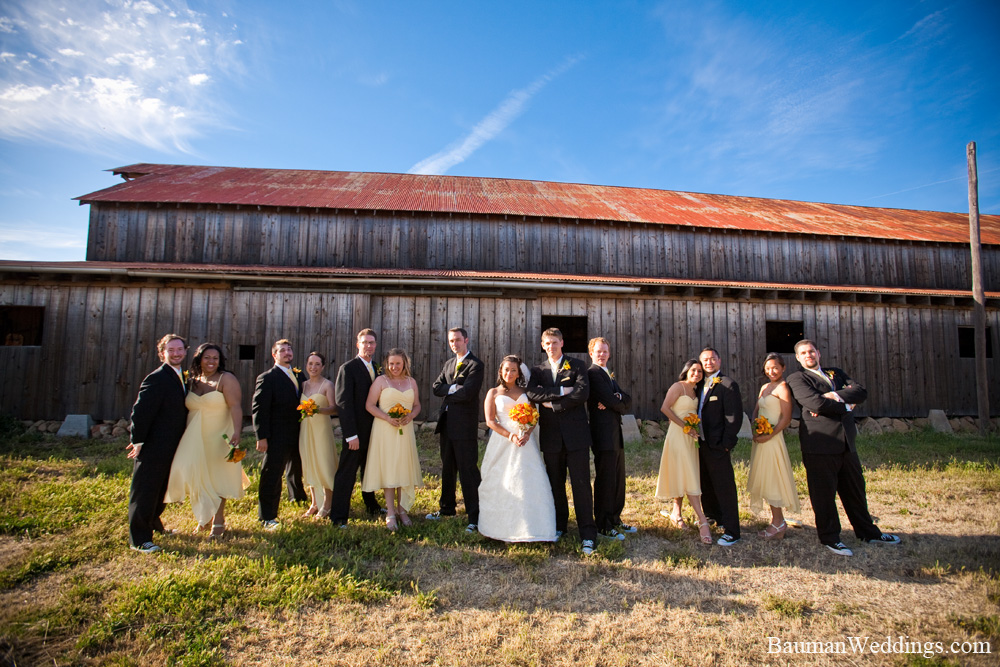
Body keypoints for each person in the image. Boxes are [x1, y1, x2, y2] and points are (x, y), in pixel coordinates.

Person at [786, 339, 901, 556]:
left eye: (811, 351)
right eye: (803, 353)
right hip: (819, 444)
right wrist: (846, 405)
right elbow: (814, 403)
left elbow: (860, 391)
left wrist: (834, 395)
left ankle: (869, 533)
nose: (808, 355)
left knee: (856, 491)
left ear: (818, 353)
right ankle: (830, 537)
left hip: (847, 442)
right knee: (824, 495)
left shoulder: (835, 372)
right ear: (798, 358)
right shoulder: (797, 378)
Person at [164, 343, 250, 538]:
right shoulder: (192, 380)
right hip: (193, 437)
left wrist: (237, 431)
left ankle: (218, 521)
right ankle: (204, 518)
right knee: (197, 475)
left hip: (218, 436)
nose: (211, 361)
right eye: (207, 358)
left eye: (215, 358)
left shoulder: (226, 379)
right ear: (199, 359)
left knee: (217, 476)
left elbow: (236, 407)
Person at [526, 327, 598, 555]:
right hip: (552, 437)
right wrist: (561, 391)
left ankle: (587, 533)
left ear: (562, 342)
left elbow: (582, 393)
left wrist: (556, 403)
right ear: (542, 345)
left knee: (581, 485)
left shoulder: (577, 365)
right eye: (547, 343)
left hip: (576, 437)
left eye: (555, 342)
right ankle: (559, 526)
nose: (551, 347)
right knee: (555, 484)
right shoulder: (538, 370)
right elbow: (533, 394)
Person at [478, 356, 557, 542]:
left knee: (528, 480)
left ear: (519, 373)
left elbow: (534, 416)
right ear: (500, 371)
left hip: (525, 441)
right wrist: (510, 435)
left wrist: (527, 433)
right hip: (503, 441)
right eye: (506, 370)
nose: (509, 373)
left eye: (513, 370)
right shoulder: (493, 393)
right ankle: (500, 527)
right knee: (502, 480)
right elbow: (490, 421)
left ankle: (535, 527)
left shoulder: (525, 392)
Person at [126, 333, 189, 553]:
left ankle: (154, 524)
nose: (176, 353)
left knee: (162, 488)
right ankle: (140, 539)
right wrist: (138, 440)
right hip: (154, 445)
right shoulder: (157, 377)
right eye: (171, 350)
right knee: (145, 490)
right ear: (162, 353)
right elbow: (140, 411)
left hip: (173, 444)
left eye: (179, 349)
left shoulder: (182, 376)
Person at [428, 327, 485, 532]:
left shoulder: (475, 365)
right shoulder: (449, 363)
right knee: (447, 467)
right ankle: (447, 508)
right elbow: (436, 387)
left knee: (468, 469)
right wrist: (454, 388)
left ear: (466, 340)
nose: (454, 344)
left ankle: (475, 516)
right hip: (447, 423)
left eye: (458, 340)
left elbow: (468, 393)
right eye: (451, 341)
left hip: (464, 426)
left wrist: (448, 390)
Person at [362, 348, 423, 530]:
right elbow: (369, 405)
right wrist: (388, 418)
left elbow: (417, 405)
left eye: (398, 363)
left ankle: (401, 509)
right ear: (386, 364)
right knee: (389, 469)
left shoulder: (411, 382)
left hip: (405, 430)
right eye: (391, 363)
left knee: (402, 467)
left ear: (404, 363)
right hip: (385, 429)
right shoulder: (381, 381)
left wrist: (411, 416)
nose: (394, 367)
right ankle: (390, 512)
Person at [655, 359, 713, 545]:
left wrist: (693, 428)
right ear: (687, 371)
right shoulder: (678, 386)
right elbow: (665, 408)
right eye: (693, 370)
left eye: (700, 372)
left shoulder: (697, 391)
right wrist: (684, 427)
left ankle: (676, 513)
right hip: (678, 436)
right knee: (688, 474)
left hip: (690, 438)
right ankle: (702, 520)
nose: (697, 374)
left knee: (684, 473)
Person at [330, 329, 384, 526]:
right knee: (347, 473)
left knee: (368, 470)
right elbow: (343, 404)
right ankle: (338, 516)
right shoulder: (348, 368)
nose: (368, 346)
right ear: (357, 345)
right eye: (365, 342)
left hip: (374, 430)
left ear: (376, 345)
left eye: (371, 342)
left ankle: (372, 505)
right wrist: (350, 434)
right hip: (355, 432)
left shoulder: (377, 368)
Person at [252, 339, 308, 530]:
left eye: (289, 349)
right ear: (274, 355)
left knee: (296, 467)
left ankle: (297, 497)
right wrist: (262, 436)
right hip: (277, 434)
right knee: (272, 473)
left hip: (298, 431)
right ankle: (267, 516)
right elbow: (259, 408)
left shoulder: (300, 376)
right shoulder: (268, 377)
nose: (287, 353)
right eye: (282, 350)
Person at [586, 336, 635, 541]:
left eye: (605, 351)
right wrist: (615, 400)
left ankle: (615, 518)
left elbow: (627, 400)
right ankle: (603, 524)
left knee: (617, 478)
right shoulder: (593, 373)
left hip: (615, 433)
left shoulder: (609, 374)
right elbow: (609, 400)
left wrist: (618, 399)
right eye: (599, 351)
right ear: (591, 353)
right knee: (606, 479)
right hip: (603, 434)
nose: (602, 354)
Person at [747, 353, 799, 540]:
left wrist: (770, 434)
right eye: (768, 368)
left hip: (772, 439)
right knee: (765, 480)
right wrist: (754, 427)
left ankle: (779, 523)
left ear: (783, 368)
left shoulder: (783, 388)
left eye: (775, 368)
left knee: (773, 480)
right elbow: (757, 409)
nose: (771, 371)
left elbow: (786, 418)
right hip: (761, 437)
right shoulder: (765, 386)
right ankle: (776, 521)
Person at [696, 347, 743, 546]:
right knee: (705, 482)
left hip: (718, 445)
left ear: (719, 361)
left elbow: (734, 417)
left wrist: (726, 444)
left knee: (725, 486)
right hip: (700, 444)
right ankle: (713, 515)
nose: (708, 362)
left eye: (712, 359)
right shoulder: (698, 385)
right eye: (705, 360)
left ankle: (732, 530)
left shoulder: (728, 384)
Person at [299, 351, 339, 519]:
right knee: (309, 463)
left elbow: (334, 408)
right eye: (310, 364)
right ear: (306, 365)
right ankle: (315, 503)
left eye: (317, 364)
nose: (313, 367)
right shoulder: (303, 385)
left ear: (323, 366)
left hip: (321, 429)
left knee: (324, 464)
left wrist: (317, 410)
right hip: (306, 429)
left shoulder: (327, 385)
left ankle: (327, 504)